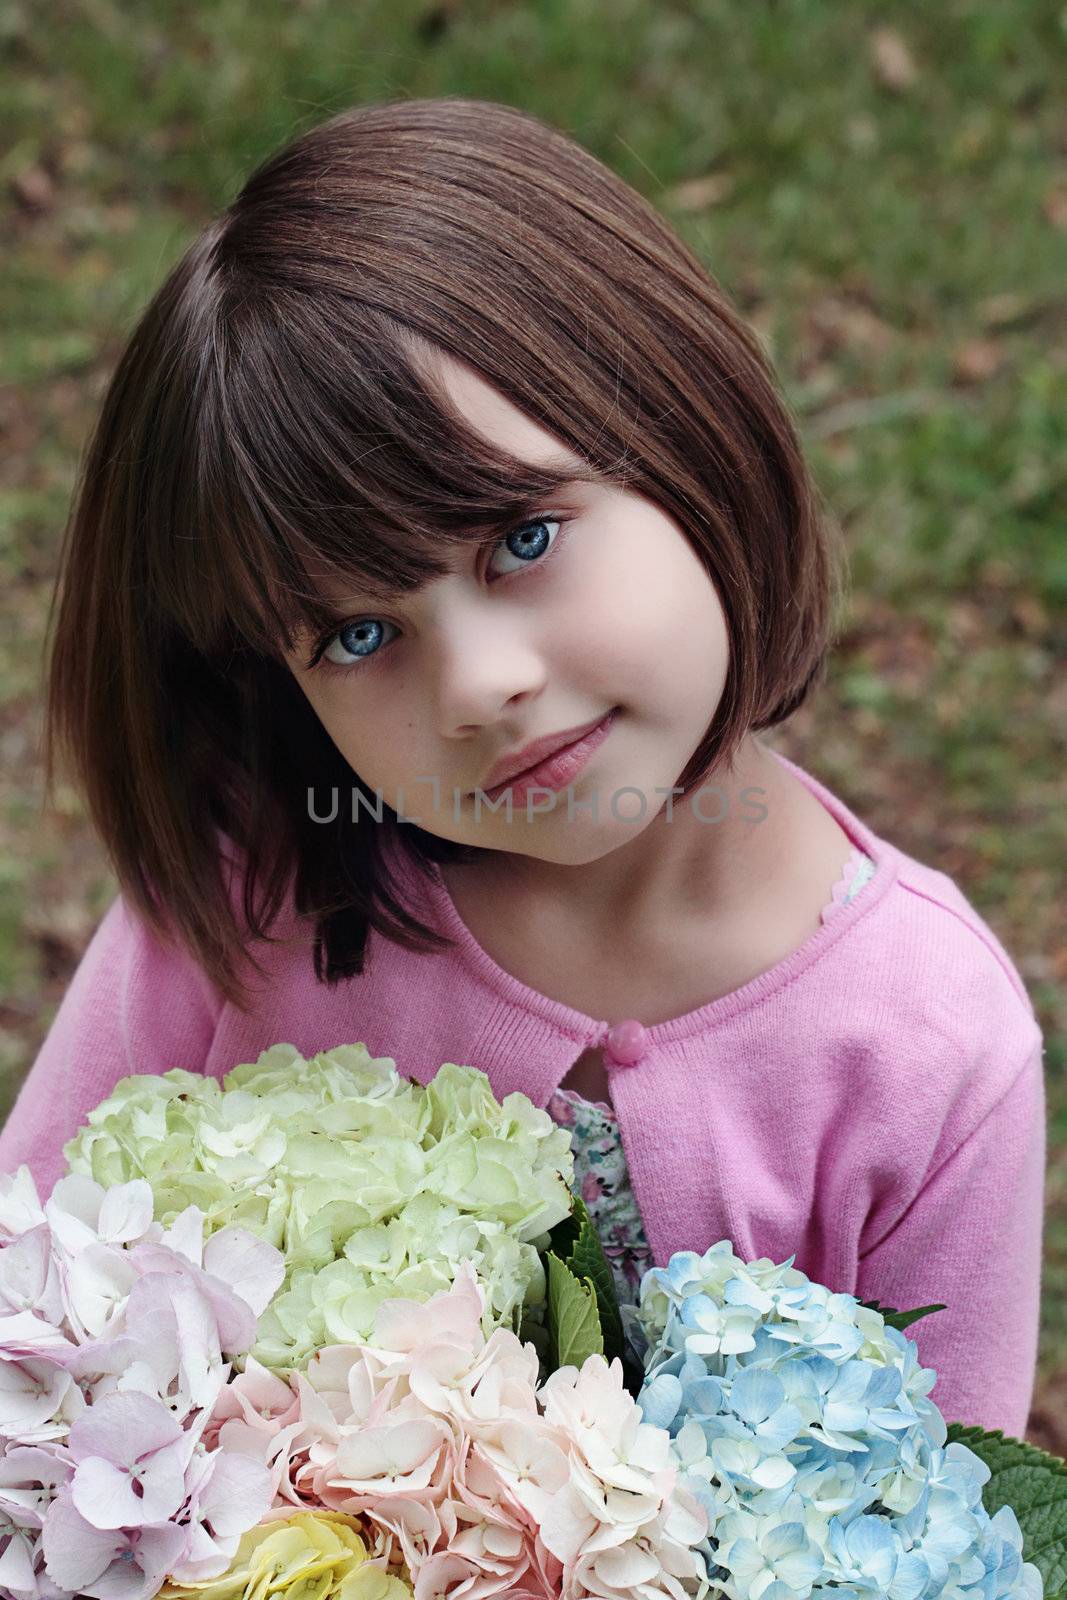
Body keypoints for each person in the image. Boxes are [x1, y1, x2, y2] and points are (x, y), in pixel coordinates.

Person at [0, 97, 1045, 1438]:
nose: (481, 684)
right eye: (360, 632)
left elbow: (945, 1524)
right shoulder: (244, 898)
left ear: (685, 428)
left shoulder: (929, 1045)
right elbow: (28, 1351)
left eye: (523, 541)